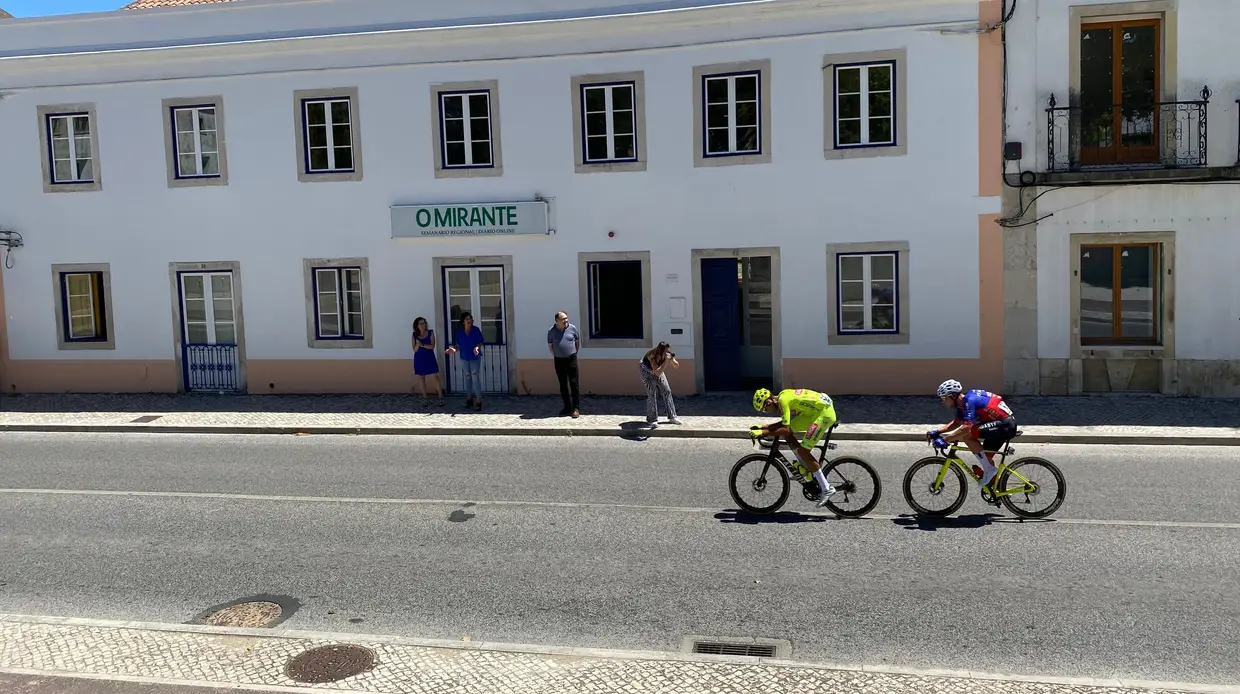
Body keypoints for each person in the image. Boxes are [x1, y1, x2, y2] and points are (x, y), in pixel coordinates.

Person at [750, 387, 837, 506]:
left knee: (803, 451)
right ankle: (806, 467)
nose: (766, 412)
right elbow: (786, 426)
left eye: (765, 410)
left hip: (824, 414)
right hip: (814, 411)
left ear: (769, 402)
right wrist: (763, 427)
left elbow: (784, 429)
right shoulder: (782, 397)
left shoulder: (783, 401)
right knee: (788, 433)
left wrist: (763, 433)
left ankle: (827, 488)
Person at [927, 379, 1017, 488]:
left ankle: (989, 470)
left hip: (1005, 425)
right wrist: (938, 431)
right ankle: (996, 488)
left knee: (968, 435)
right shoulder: (962, 404)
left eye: (944, 398)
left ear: (953, 396)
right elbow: (956, 423)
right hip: (998, 424)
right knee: (985, 457)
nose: (943, 402)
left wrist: (945, 440)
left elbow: (967, 427)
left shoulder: (970, 401)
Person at [444, 312, 485, 410]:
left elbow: (480, 342)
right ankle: (469, 398)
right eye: (467, 319)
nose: (469, 320)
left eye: (470, 318)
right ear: (463, 321)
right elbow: (458, 346)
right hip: (464, 357)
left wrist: (477, 348)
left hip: (474, 357)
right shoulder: (460, 332)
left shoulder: (476, 330)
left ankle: (479, 400)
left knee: (475, 378)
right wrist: (453, 350)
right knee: (467, 378)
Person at [547, 311, 581, 418]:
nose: (566, 321)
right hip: (559, 360)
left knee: (574, 383)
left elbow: (577, 342)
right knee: (563, 384)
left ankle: (576, 408)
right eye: (563, 319)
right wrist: (558, 354)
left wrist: (574, 353)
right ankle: (567, 407)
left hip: (571, 359)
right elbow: (550, 346)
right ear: (557, 321)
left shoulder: (573, 329)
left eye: (566, 318)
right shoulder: (551, 332)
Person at [638, 342, 681, 427]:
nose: (667, 353)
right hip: (646, 371)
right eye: (666, 351)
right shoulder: (652, 355)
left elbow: (676, 366)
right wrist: (665, 362)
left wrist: (671, 360)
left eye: (668, 351)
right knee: (652, 393)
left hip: (658, 370)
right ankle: (652, 420)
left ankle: (672, 416)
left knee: (667, 391)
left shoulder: (668, 354)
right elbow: (657, 373)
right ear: (661, 351)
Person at [411, 317, 445, 407]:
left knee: (435, 377)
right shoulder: (414, 335)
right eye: (420, 324)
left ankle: (441, 397)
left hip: (429, 357)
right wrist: (418, 344)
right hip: (419, 359)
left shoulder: (430, 332)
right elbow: (414, 349)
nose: (422, 325)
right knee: (421, 378)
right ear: (417, 326)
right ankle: (425, 398)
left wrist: (423, 345)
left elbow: (432, 346)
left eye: (424, 323)